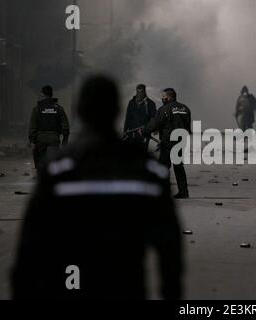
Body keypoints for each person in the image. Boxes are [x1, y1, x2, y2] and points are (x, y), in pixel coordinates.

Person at [12, 76, 183, 300]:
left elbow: (30, 246)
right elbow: (169, 247)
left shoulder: (58, 171)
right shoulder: (147, 171)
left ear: (80, 112)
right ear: (116, 111)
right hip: (126, 285)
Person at [145, 88, 191, 199]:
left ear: (170, 97)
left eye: (164, 96)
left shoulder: (164, 109)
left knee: (163, 167)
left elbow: (155, 123)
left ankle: (163, 192)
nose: (162, 98)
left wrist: (145, 130)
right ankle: (183, 192)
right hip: (181, 140)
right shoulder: (185, 108)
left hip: (168, 141)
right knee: (178, 166)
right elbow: (187, 126)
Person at [29, 85, 70, 173]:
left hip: (40, 139)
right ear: (51, 94)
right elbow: (65, 127)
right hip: (54, 138)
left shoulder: (37, 109)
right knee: (54, 162)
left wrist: (32, 140)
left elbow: (33, 126)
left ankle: (41, 176)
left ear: (42, 94)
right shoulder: (58, 108)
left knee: (40, 162)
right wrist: (64, 141)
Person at [123, 84, 157, 152]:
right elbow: (128, 117)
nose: (140, 94)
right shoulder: (132, 103)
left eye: (141, 91)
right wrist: (125, 131)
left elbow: (153, 118)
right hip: (132, 133)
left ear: (144, 92)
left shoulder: (150, 104)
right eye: (138, 91)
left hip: (144, 133)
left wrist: (153, 129)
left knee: (142, 152)